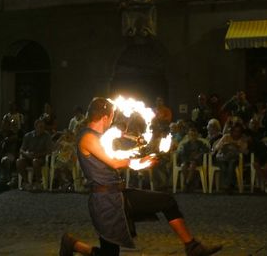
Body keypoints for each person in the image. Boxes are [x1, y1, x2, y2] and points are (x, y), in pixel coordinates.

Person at [59, 97, 222, 256]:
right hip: (105, 202)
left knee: (167, 202)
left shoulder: (98, 137)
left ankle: (192, 247)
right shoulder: (88, 137)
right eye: (112, 117)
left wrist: (138, 154)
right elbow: (114, 162)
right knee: (109, 253)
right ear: (105, 117)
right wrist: (138, 162)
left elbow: (114, 155)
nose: (112, 121)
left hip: (118, 196)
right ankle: (72, 244)